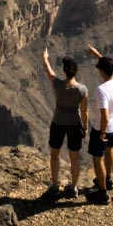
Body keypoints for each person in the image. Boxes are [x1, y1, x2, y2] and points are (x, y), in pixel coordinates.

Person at [40, 47, 89, 199]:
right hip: (75, 125)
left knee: (55, 154)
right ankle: (73, 187)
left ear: (65, 71)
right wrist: (85, 128)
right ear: (76, 71)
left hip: (58, 123)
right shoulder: (82, 90)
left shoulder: (58, 85)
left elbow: (48, 70)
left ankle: (54, 186)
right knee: (74, 157)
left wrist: (45, 58)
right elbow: (85, 111)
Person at [84, 43, 113, 205]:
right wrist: (96, 53)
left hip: (104, 129)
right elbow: (107, 64)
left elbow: (104, 117)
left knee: (97, 158)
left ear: (101, 71)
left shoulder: (102, 90)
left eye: (99, 68)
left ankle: (102, 193)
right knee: (110, 150)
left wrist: (101, 132)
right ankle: (108, 179)